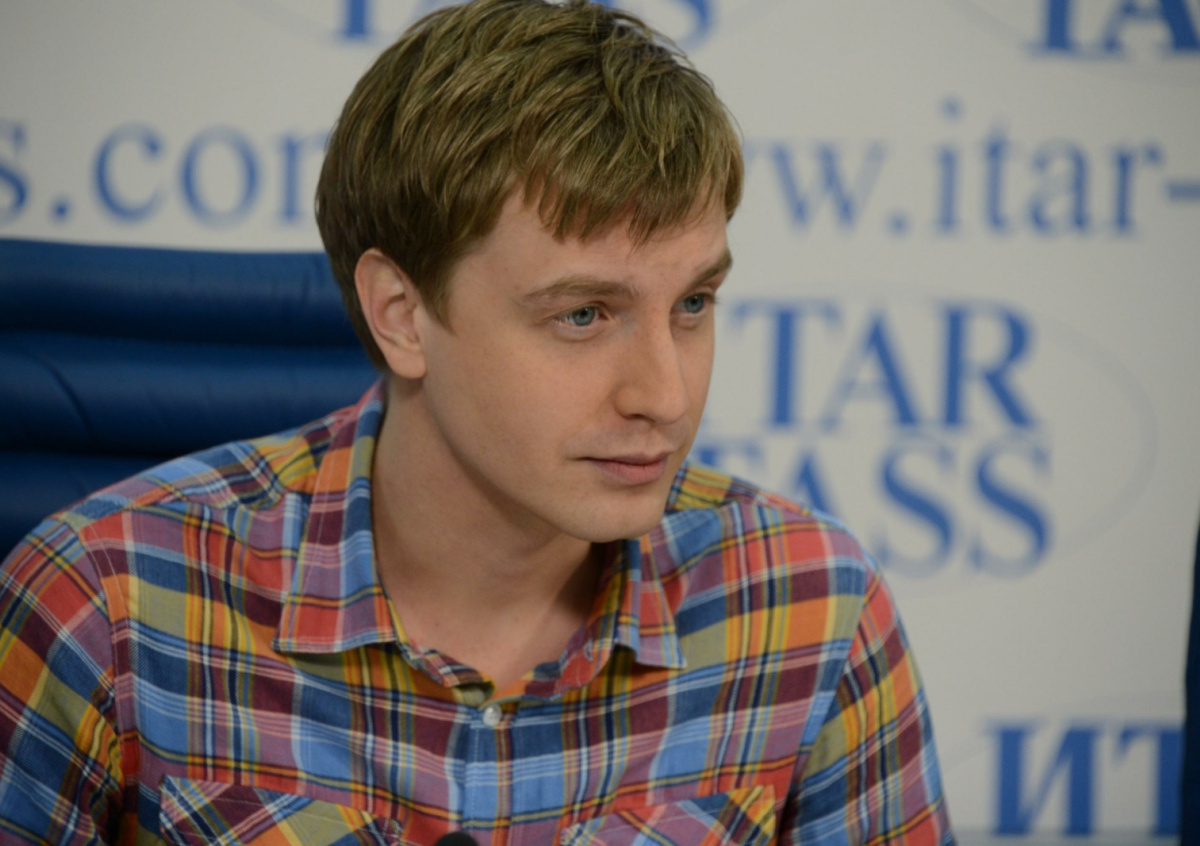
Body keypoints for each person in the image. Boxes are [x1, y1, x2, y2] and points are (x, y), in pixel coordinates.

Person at [0, 1, 953, 843]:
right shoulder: (104, 603)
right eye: (583, 315)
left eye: (693, 304)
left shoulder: (811, 610)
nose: (664, 396)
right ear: (402, 315)